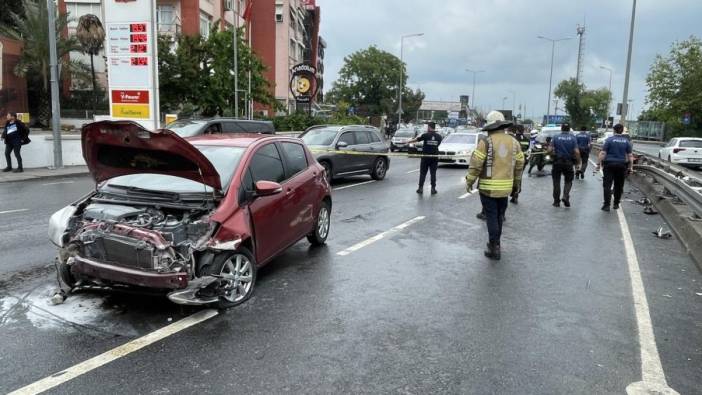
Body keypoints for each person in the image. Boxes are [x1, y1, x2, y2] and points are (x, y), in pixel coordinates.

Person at [465, 111, 525, 260]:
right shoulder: (514, 142)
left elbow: (476, 165)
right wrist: (517, 184)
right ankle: (496, 243)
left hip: (488, 188)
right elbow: (519, 164)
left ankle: (494, 247)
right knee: (499, 216)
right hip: (506, 188)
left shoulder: (485, 142)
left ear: (490, 126)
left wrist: (469, 182)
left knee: (491, 216)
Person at [597, 123, 634, 212]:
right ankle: (616, 203)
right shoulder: (626, 142)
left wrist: (599, 164)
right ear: (622, 131)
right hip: (621, 166)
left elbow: (603, 153)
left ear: (614, 130)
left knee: (607, 185)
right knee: (619, 185)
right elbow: (630, 156)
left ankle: (606, 205)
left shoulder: (609, 140)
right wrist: (631, 167)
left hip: (609, 165)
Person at [548, 123, 581, 207]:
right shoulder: (573, 138)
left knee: (556, 182)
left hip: (557, 162)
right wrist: (577, 162)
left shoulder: (555, 137)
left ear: (561, 128)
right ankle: (565, 196)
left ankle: (556, 201)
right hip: (568, 163)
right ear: (569, 129)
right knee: (568, 181)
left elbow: (549, 150)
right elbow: (576, 152)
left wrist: (552, 155)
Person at [408, 121, 443, 195]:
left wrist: (408, 142)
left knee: (423, 173)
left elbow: (416, 140)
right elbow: (438, 145)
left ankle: (420, 188)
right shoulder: (439, 137)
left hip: (425, 157)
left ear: (429, 127)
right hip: (434, 157)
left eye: (428, 127)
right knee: (433, 173)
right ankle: (433, 189)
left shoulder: (425, 135)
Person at [510, 124, 530, 203]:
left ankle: (512, 192)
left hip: (513, 161)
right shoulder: (526, 139)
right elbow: (527, 151)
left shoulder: (512, 139)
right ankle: (516, 192)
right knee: (519, 177)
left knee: (511, 177)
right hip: (522, 161)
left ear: (517, 130)